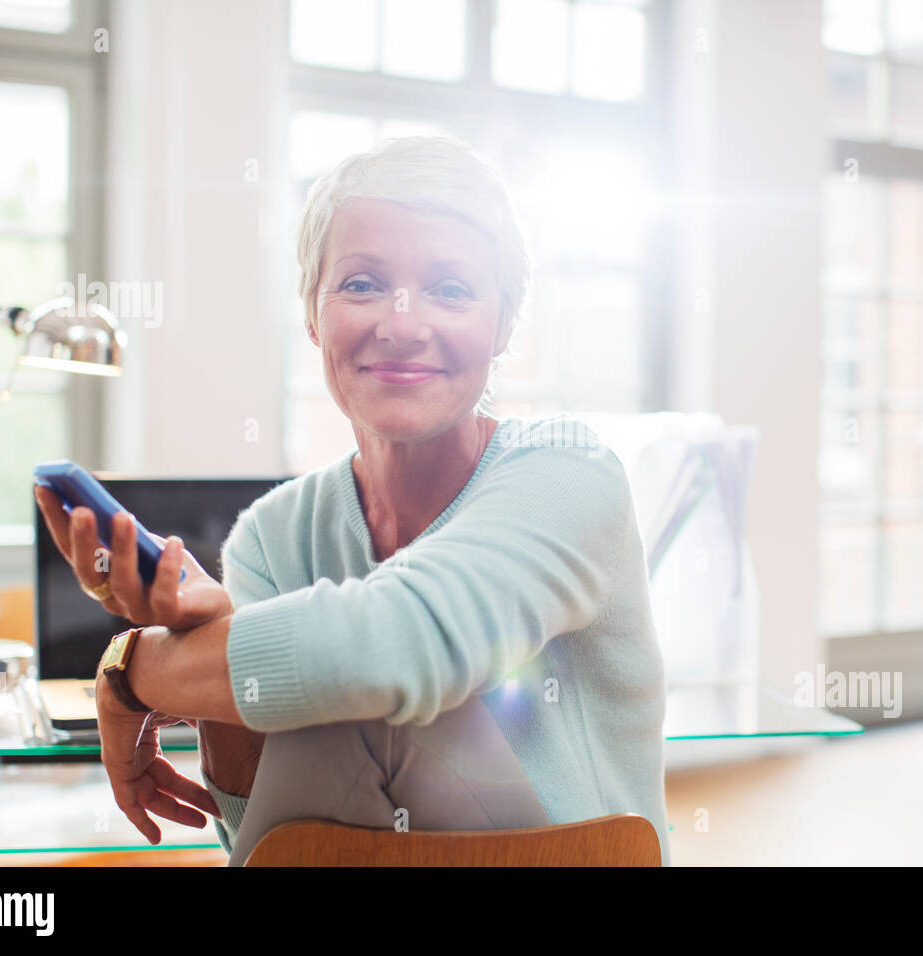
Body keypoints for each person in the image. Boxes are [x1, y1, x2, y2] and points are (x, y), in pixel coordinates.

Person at [33, 135, 672, 864]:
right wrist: (215, 659)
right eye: (363, 284)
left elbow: (400, 651)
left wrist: (135, 670)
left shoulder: (566, 466)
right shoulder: (272, 537)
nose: (403, 324)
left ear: (502, 327)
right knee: (316, 687)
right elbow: (265, 839)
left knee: (348, 686)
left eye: (452, 288)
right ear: (313, 313)